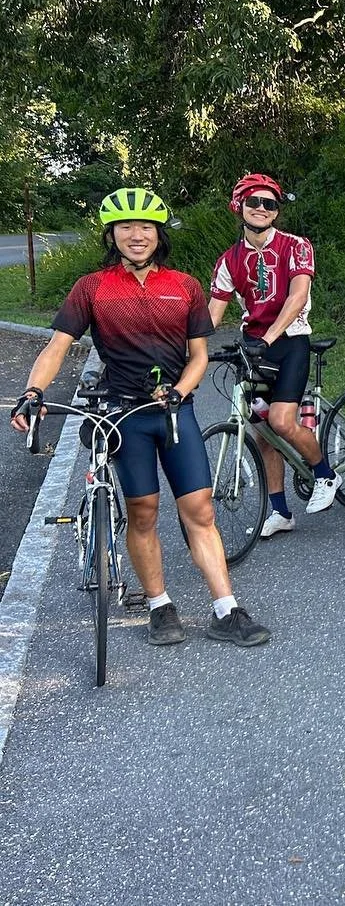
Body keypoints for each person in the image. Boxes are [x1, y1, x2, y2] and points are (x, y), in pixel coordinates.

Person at [10, 189, 270, 647]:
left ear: (158, 234)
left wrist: (180, 391)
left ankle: (226, 609)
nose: (137, 235)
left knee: (200, 509)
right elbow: (57, 347)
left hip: (173, 411)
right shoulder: (92, 287)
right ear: (112, 235)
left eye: (146, 226)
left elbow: (198, 356)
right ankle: (159, 605)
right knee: (143, 511)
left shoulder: (185, 286)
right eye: (126, 227)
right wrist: (33, 391)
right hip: (124, 413)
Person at [208, 173, 339, 538]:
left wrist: (268, 337)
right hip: (254, 343)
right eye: (255, 202)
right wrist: (191, 348)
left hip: (291, 339)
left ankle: (325, 474)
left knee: (281, 420)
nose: (263, 209)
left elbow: (298, 297)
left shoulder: (296, 246)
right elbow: (212, 313)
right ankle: (281, 512)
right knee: (263, 431)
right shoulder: (229, 260)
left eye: (270, 203)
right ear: (240, 207)